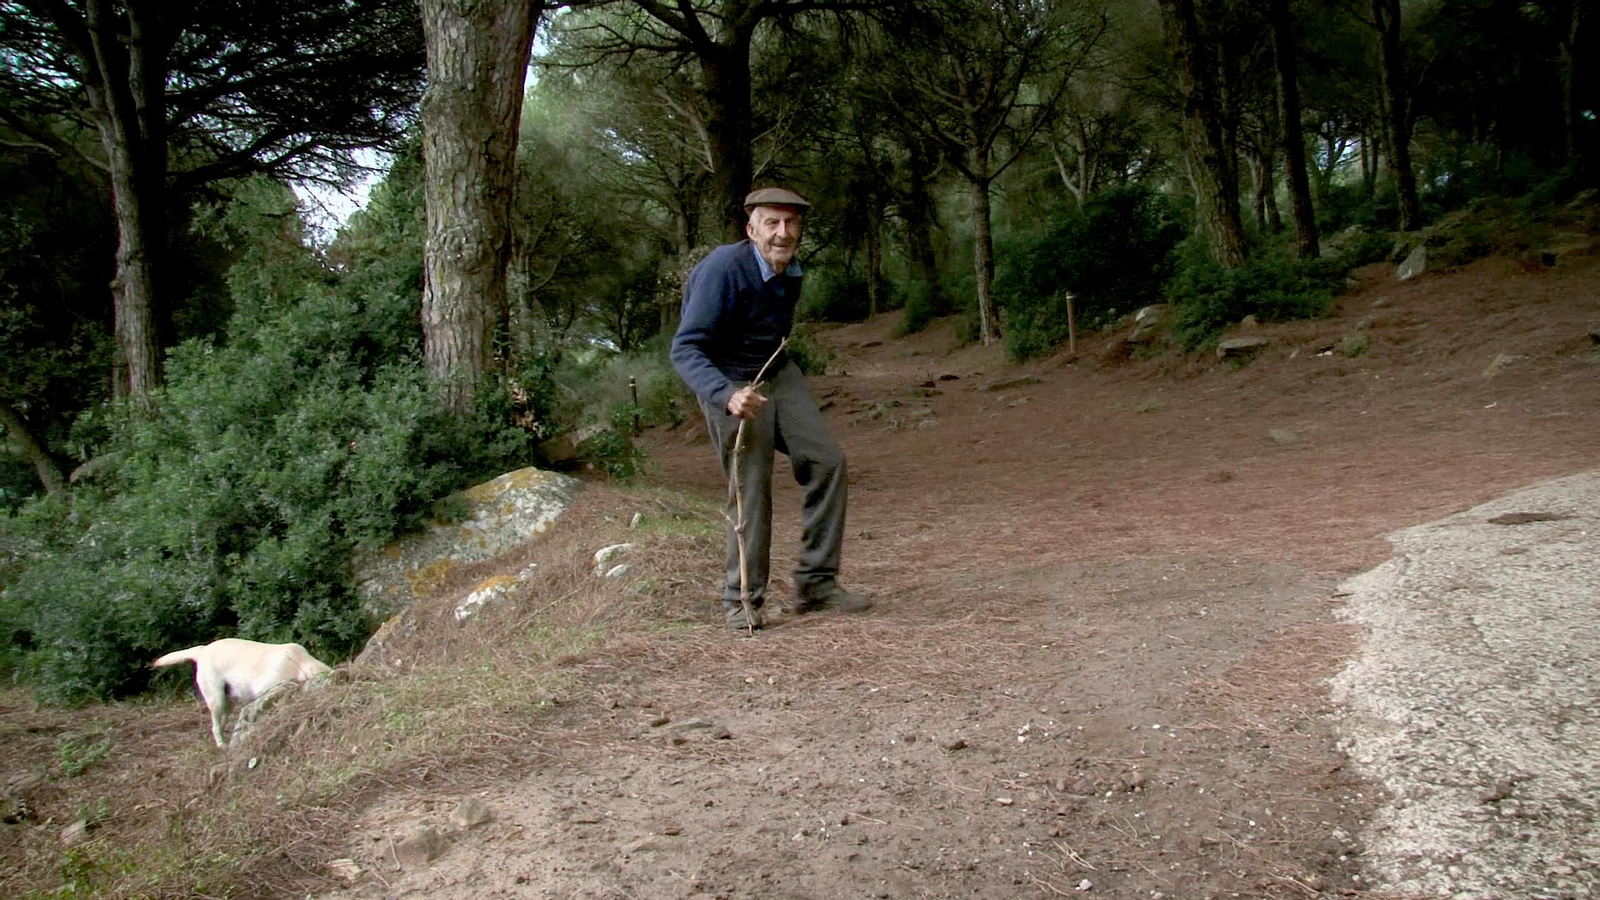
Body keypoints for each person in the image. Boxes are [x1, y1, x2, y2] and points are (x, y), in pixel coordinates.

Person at [670, 187, 873, 632]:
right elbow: (685, 349)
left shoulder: (790, 269)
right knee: (751, 485)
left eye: (791, 223)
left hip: (778, 372)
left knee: (827, 461)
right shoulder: (723, 269)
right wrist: (726, 394)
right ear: (751, 228)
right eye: (771, 223)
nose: (783, 233)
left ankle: (816, 585)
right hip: (731, 382)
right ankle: (740, 597)